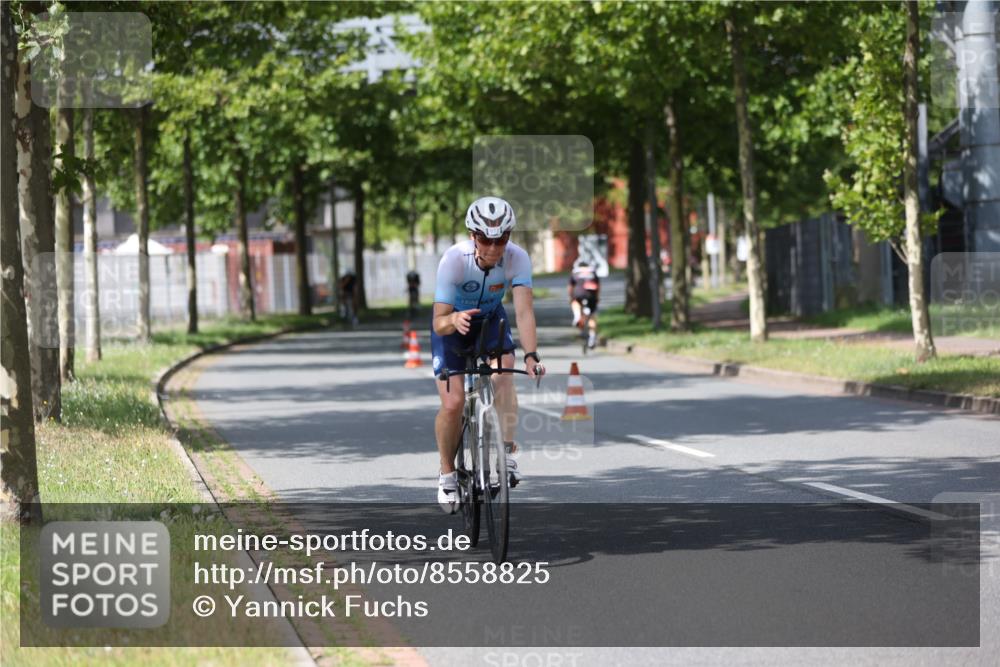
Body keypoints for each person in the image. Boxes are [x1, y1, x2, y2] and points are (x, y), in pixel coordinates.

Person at [432, 195, 545, 513]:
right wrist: (453, 319)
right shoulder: (453, 260)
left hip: (490, 321)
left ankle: (506, 455)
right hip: (453, 326)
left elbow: (523, 312)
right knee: (453, 404)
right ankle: (447, 473)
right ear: (472, 235)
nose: (494, 247)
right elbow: (438, 321)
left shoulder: (517, 258)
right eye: (485, 239)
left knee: (504, 373)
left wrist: (532, 355)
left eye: (502, 239)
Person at [569, 260, 600, 349]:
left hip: (579, 293)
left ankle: (577, 316)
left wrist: (571, 297)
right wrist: (597, 298)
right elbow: (598, 286)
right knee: (592, 317)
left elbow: (570, 287)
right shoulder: (593, 271)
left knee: (575, 302)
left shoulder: (575, 272)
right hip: (592, 295)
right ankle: (592, 338)